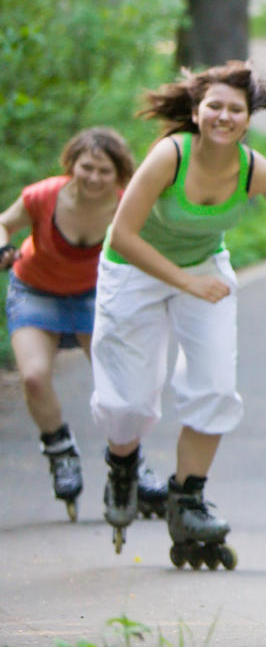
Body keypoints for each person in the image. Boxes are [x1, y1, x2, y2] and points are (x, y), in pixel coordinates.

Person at [90, 61, 266, 567]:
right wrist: (186, 282)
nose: (224, 116)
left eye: (235, 110)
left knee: (216, 386)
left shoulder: (255, 170)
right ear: (197, 112)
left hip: (203, 270)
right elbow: (125, 235)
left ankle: (187, 498)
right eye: (214, 106)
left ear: (248, 119)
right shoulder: (168, 157)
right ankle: (122, 463)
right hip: (133, 271)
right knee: (128, 402)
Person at [2, 128, 167, 520]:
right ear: (72, 165)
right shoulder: (44, 196)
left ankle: (132, 465)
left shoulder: (129, 203)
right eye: (86, 167)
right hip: (35, 289)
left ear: (120, 174)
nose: (93, 177)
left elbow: (153, 248)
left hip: (98, 297)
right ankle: (60, 452)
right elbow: (5, 222)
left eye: (104, 171)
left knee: (117, 387)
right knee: (34, 377)